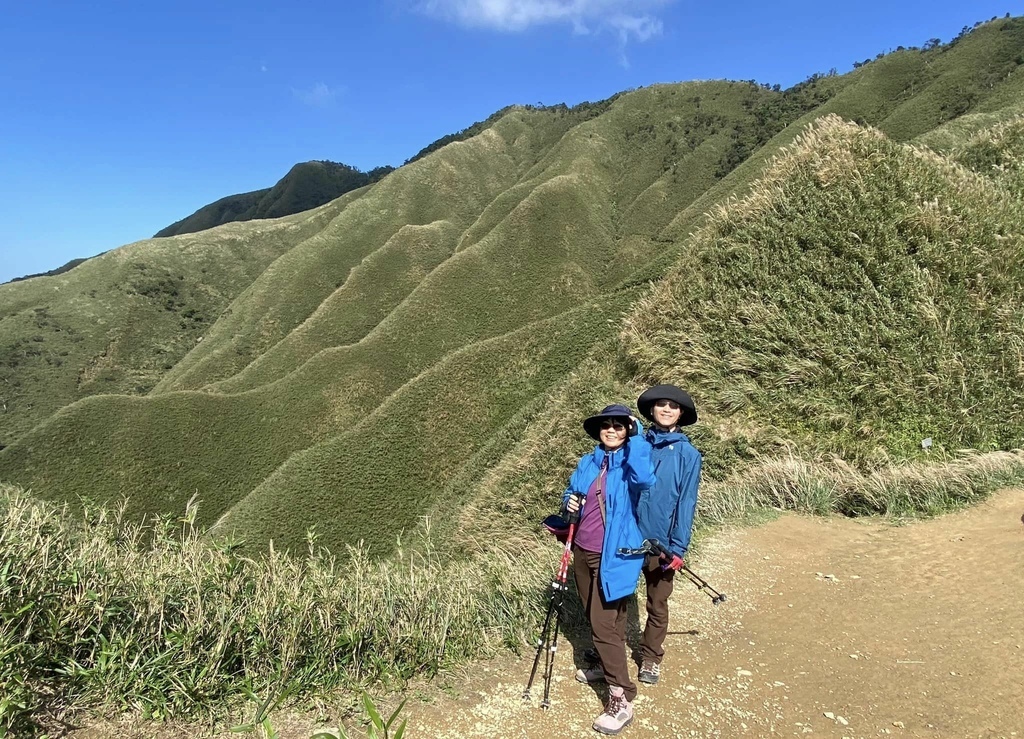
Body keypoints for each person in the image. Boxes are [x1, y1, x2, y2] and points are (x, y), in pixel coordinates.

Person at [564, 403, 654, 735]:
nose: (612, 430)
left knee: (602, 624)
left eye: (620, 425)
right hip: (583, 550)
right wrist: (569, 501)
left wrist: (639, 434)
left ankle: (622, 698)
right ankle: (606, 665)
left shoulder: (631, 463)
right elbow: (571, 491)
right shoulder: (588, 462)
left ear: (628, 430)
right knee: (606, 618)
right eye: (607, 425)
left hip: (613, 555)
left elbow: (645, 479)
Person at [634, 384, 701, 685]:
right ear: (651, 410)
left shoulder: (688, 454)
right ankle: (606, 650)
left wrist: (678, 547)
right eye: (661, 404)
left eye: (673, 406)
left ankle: (650, 657)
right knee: (617, 598)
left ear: (681, 414)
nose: (666, 409)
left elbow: (686, 502)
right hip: (628, 537)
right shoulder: (635, 444)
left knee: (657, 602)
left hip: (662, 542)